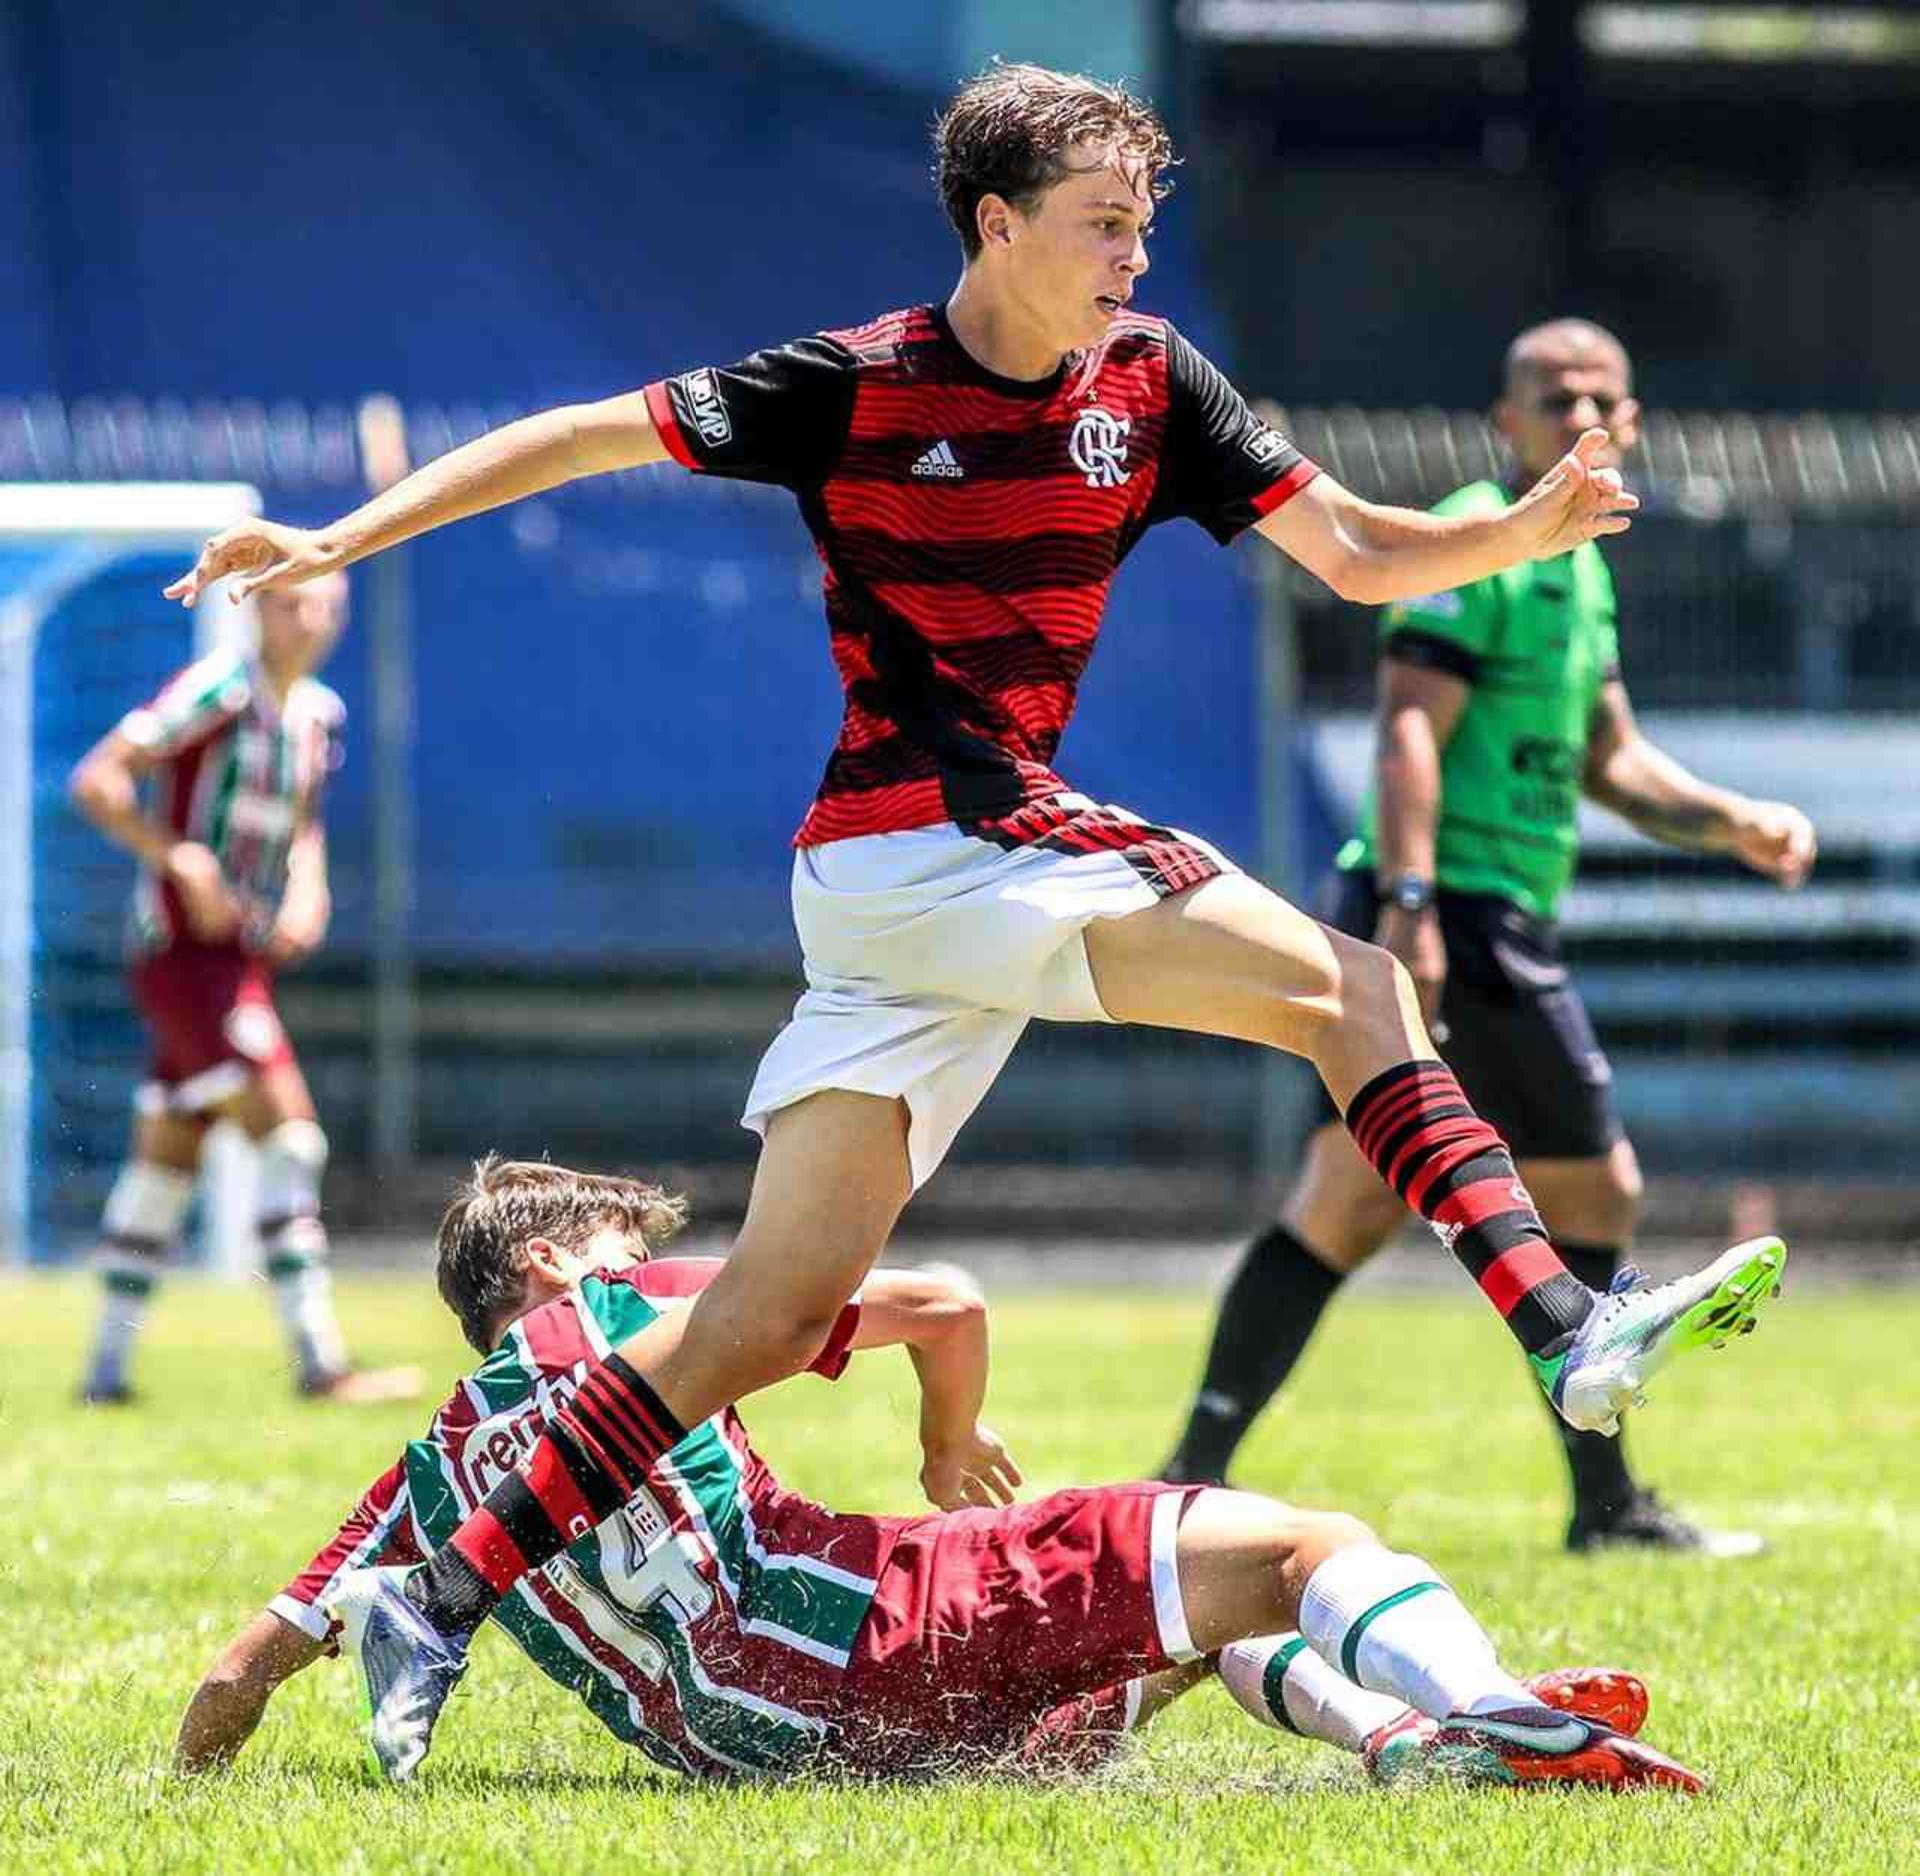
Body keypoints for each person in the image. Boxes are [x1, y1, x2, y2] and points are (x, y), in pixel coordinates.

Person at [163, 64, 1784, 1764]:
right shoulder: (855, 384)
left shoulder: (1153, 385)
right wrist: (337, 535)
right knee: (1355, 985)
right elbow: (576, 433)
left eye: (1145, 225)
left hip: (906, 896)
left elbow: (1368, 554)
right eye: (1102, 226)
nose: (1132, 257)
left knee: (762, 1324)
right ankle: (1562, 1323)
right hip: (932, 843)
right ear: (996, 223)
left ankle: (446, 1588)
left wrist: (1525, 527)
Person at [175, 1157, 1701, 1793]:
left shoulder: (425, 1477)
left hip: (785, 1753)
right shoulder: (630, 1313)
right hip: (877, 1635)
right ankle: (1491, 1707)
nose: (640, 1259)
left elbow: (240, 1678)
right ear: (558, 1258)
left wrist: (185, 1793)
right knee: (1308, 1546)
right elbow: (949, 1298)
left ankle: (1401, 1743)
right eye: (619, 1242)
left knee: (1189, 1613)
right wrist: (942, 1438)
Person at [1160, 320, 1815, 1554]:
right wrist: (1412, 911)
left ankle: (1187, 1472)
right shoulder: (1479, 535)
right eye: (1552, 395)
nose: (1580, 413)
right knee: (1594, 1186)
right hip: (1452, 912)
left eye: (1602, 397)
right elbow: (1408, 727)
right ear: (1504, 423)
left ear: (1631, 423)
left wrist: (1734, 825)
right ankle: (1606, 1506)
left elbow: (1611, 758)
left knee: (1345, 1201)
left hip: (1474, 910)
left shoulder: (1581, 563)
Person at [68, 573, 419, 1406]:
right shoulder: (219, 688)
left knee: (166, 1163)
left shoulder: (318, 714)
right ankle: (321, 1364)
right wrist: (177, 857)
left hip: (238, 961)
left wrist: (309, 888)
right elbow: (98, 781)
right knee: (292, 1138)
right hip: (183, 958)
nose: (316, 621)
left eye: (330, 606)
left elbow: (305, 823)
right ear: (259, 606)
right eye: (298, 602)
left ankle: (105, 1375)